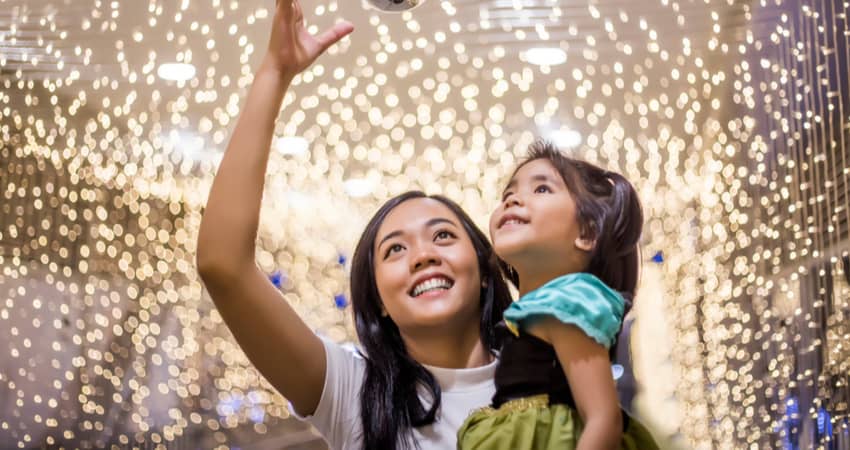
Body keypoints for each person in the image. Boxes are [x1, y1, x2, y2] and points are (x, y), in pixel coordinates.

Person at [194, 1, 513, 449]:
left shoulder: (546, 382)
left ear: (483, 270)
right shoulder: (354, 391)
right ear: (378, 300)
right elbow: (222, 264)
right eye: (394, 250)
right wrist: (274, 73)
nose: (423, 255)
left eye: (442, 235)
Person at [457, 141, 658, 449]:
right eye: (507, 194)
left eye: (541, 189)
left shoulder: (567, 305)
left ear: (587, 234)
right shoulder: (530, 315)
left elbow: (603, 418)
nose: (512, 200)